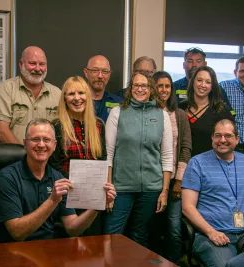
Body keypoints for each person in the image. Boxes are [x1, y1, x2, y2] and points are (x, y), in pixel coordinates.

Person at [0, 119, 116, 243]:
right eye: (35, 139)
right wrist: (52, 200)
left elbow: (72, 229)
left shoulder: (57, 177)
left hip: (47, 249)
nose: (41, 145)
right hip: (11, 251)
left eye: (47, 140)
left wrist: (97, 206)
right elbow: (17, 233)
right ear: (25, 143)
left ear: (54, 145)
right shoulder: (6, 178)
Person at [182, 119, 244, 267]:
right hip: (211, 236)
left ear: (237, 139)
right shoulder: (197, 163)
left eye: (227, 136)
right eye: (217, 135)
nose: (222, 140)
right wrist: (211, 232)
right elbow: (187, 207)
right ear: (212, 138)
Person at [103, 71, 173, 248]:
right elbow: (108, 154)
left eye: (144, 86)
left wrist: (164, 191)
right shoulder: (117, 113)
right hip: (121, 188)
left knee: (140, 238)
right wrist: (109, 190)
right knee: (111, 237)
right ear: (130, 88)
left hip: (151, 189)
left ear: (151, 89)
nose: (140, 89)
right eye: (136, 85)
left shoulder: (162, 115)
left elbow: (166, 155)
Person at [48, 76, 106, 235]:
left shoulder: (98, 125)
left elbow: (102, 160)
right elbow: (54, 165)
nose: (77, 98)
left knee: (93, 246)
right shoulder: (56, 126)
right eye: (71, 94)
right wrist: (78, 184)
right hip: (68, 197)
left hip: (93, 197)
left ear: (87, 96)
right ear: (64, 99)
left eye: (81, 93)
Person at [152, 71, 191, 264]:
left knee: (174, 230)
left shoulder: (180, 115)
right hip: (151, 181)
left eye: (168, 86)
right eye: (160, 86)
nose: (164, 90)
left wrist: (179, 180)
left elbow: (185, 148)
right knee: (152, 229)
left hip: (175, 182)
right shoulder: (148, 113)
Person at [0, 46, 61, 143]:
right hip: (15, 157)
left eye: (42, 64)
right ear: (21, 64)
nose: (38, 69)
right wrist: (26, 156)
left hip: (50, 158)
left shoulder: (57, 94)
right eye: (32, 63)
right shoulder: (4, 90)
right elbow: (0, 131)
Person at [179, 66, 234, 157]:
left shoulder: (221, 110)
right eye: (199, 80)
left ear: (212, 86)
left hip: (210, 164)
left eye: (208, 82)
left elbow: (230, 141)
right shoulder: (181, 107)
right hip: (182, 164)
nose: (203, 85)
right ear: (193, 82)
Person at [83, 55, 123, 122]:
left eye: (105, 71)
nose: (100, 76)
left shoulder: (119, 103)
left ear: (109, 75)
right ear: (86, 73)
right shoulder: (77, 101)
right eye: (95, 70)